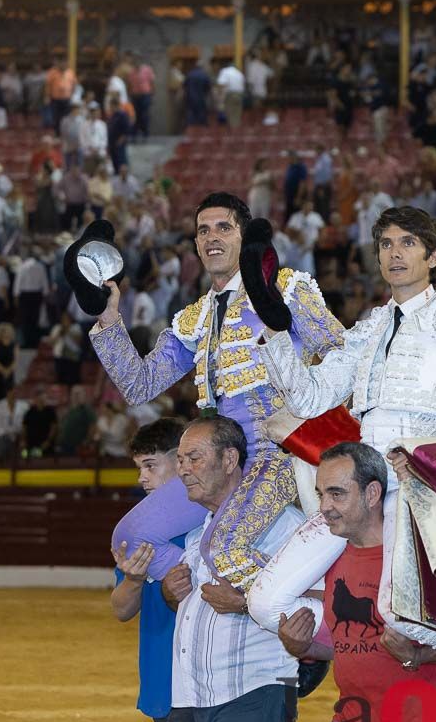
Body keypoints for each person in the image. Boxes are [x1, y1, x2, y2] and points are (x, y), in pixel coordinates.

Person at [249, 205, 436, 654]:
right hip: (356, 484)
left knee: (405, 616)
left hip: (416, 488)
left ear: (433, 257)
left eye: (408, 243)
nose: (395, 254)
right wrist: (276, 328)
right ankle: (358, 646)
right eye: (386, 244)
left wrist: (434, 472)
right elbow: (309, 398)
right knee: (264, 601)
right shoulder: (369, 328)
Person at [90, 192, 344, 591]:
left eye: (224, 227)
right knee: (131, 534)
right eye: (203, 230)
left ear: (244, 236)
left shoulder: (285, 287)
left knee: (224, 548)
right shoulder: (196, 317)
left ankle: (309, 606)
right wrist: (108, 316)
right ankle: (201, 595)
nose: (213, 237)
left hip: (279, 451)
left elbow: (339, 355)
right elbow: (138, 384)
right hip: (218, 457)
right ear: (194, 244)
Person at [276, 442, 436, 722]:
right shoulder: (328, 557)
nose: (325, 507)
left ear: (372, 493)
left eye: (337, 494)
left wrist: (419, 656)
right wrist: (304, 646)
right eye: (321, 495)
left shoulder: (421, 555)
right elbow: (358, 645)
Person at [159, 416, 302, 722]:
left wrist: (245, 604)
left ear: (229, 460)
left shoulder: (286, 526)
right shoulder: (198, 532)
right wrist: (170, 594)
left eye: (194, 458)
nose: (183, 470)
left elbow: (321, 603)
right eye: (180, 460)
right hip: (191, 694)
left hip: (253, 689)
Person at [109, 417, 186, 722]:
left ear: (181, 459)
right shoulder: (145, 529)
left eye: (151, 465)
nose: (142, 478)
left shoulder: (206, 521)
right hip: (163, 674)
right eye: (139, 467)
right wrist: (134, 579)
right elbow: (121, 610)